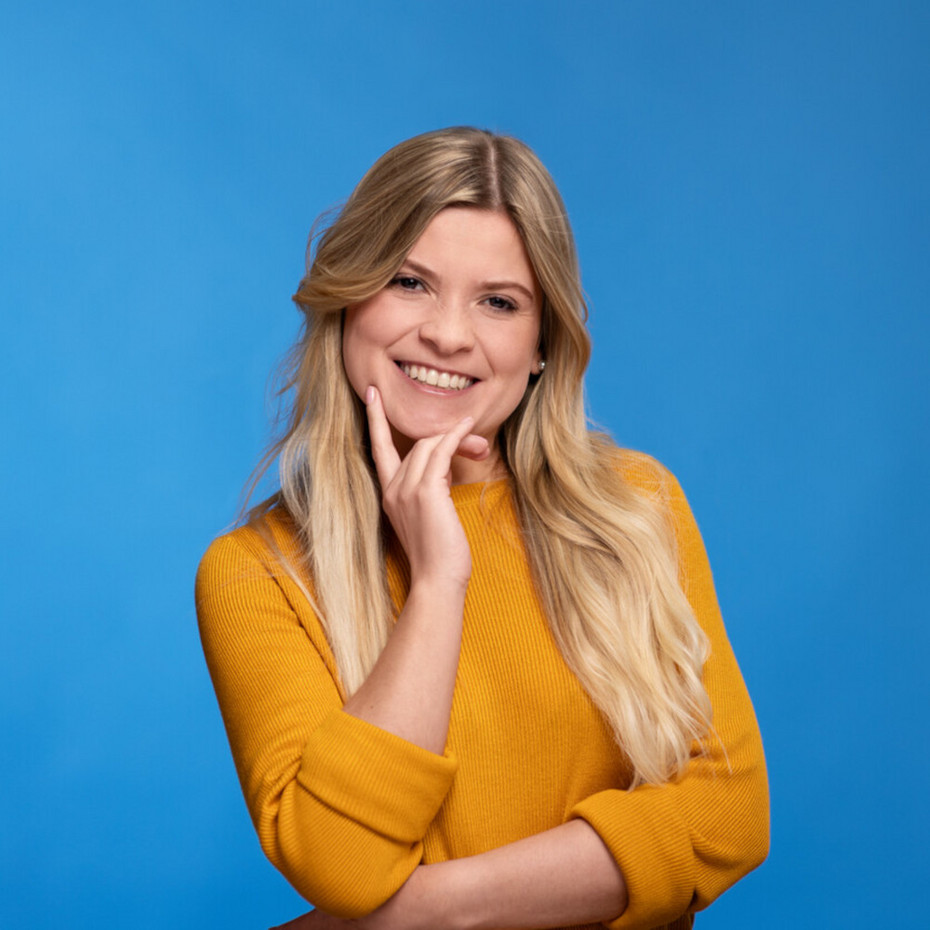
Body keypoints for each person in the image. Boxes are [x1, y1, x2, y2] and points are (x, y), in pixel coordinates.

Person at [195, 126, 769, 930]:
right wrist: (437, 584)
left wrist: (434, 910)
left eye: (499, 302)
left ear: (540, 345)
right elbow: (339, 867)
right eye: (409, 282)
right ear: (349, 299)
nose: (449, 335)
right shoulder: (258, 574)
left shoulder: (636, 508)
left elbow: (727, 814)